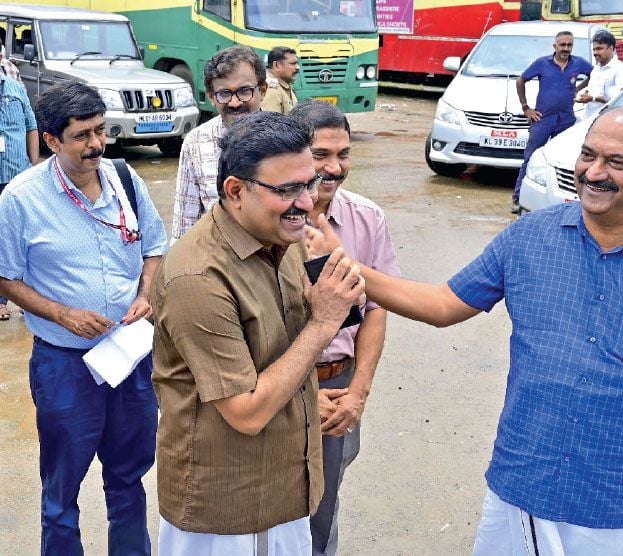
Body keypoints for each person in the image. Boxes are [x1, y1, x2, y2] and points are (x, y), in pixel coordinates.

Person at [308, 106, 623, 555]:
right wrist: (346, 267)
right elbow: (443, 304)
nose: (594, 172)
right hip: (521, 485)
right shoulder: (530, 238)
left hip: (616, 505)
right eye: (588, 155)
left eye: (616, 163)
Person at [151, 111, 365, 555]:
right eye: (286, 190)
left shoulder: (282, 238)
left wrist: (331, 295)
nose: (306, 203)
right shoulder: (197, 277)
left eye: (309, 184)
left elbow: (277, 350)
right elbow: (246, 412)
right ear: (235, 191)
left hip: (286, 489)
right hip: (230, 508)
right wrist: (323, 323)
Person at [0, 82, 167, 555]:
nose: (96, 144)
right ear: (51, 140)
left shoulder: (124, 178)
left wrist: (146, 294)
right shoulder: (20, 198)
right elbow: (4, 276)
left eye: (99, 131)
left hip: (130, 360)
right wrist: (63, 313)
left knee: (129, 479)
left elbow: (154, 249)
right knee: (61, 490)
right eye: (82, 136)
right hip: (65, 365)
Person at [289, 100, 401, 555]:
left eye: (343, 154)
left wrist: (358, 393)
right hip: (273, 391)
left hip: (338, 385)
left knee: (323, 510)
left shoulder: (367, 218)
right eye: (321, 155)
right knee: (269, 512)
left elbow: (377, 308)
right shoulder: (267, 220)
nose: (334, 168)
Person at [171, 45, 266, 241]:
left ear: (262, 91)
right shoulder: (195, 143)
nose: (234, 103)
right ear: (211, 97)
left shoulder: (287, 140)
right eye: (224, 94)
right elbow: (184, 227)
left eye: (244, 91)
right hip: (216, 265)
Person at [512, 31, 592, 213]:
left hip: (566, 119)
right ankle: (518, 198)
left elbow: (595, 75)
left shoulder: (578, 63)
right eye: (562, 45)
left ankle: (561, 201)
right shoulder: (542, 63)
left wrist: (578, 89)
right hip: (542, 118)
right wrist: (526, 108)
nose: (565, 48)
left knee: (565, 160)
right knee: (531, 157)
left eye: (569, 45)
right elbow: (520, 80)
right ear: (554, 46)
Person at [1, 66, 39, 321]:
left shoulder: (15, 89)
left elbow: (31, 127)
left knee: (24, 239)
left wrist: (35, 168)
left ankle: (29, 299)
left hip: (16, 176)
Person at [576, 30, 623, 120]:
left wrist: (593, 98)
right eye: (594, 49)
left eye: (599, 48)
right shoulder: (596, 69)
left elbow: (619, 100)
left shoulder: (621, 69)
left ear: (611, 48)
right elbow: (593, 90)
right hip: (589, 118)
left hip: (607, 120)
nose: (595, 53)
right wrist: (584, 94)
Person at [262, 46, 299, 115]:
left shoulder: (285, 85)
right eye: (293, 64)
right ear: (276, 66)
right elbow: (271, 123)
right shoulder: (271, 89)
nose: (297, 67)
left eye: (297, 63)